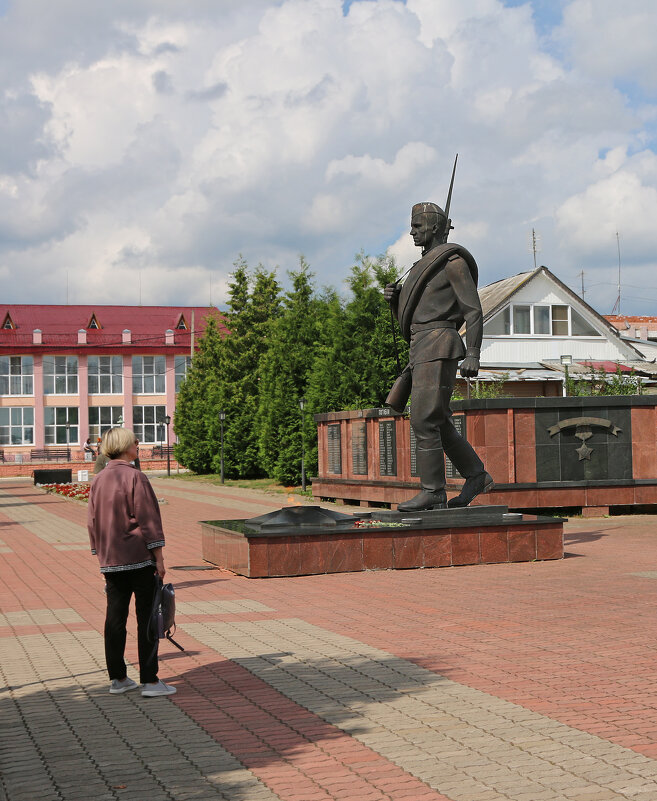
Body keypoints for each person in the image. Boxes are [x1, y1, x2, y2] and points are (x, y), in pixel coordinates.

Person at [384, 201, 493, 512]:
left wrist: (473, 352)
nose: (412, 231)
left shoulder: (452, 262)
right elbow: (413, 319)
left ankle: (433, 491)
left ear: (434, 227)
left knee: (424, 420)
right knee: (439, 421)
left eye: (417, 226)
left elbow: (473, 311)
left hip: (441, 345)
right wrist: (395, 302)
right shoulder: (420, 267)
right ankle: (476, 476)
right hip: (421, 346)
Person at [87, 427, 176, 697]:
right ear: (125, 446)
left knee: (114, 619)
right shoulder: (136, 477)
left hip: (111, 560)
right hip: (139, 557)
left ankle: (118, 678)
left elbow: (92, 521)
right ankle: (150, 681)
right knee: (146, 618)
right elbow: (148, 519)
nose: (138, 444)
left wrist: (100, 555)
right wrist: (159, 557)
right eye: (134, 441)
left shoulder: (99, 479)